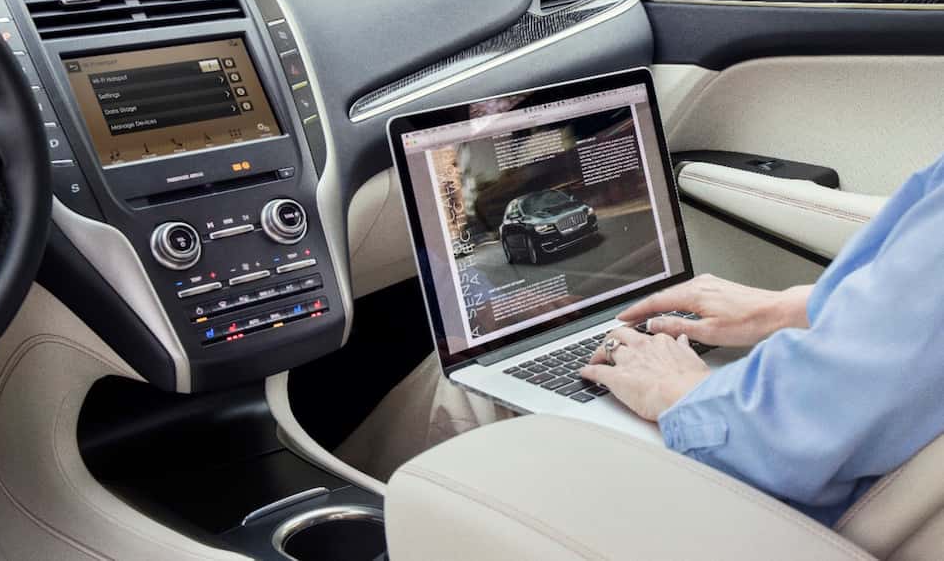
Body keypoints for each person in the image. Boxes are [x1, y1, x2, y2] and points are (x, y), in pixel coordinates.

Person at [338, 153, 944, 526]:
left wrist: (681, 392)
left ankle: (360, 505)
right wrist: (788, 309)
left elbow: (786, 436)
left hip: (780, 515)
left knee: (456, 388)